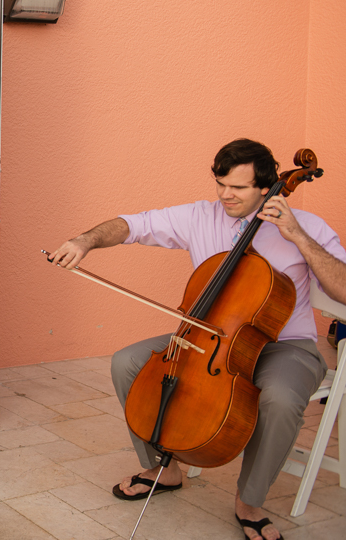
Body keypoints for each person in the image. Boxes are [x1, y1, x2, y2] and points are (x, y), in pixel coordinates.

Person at [47, 139, 346, 540]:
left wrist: (298, 238)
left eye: (237, 188)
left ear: (265, 186)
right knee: (128, 363)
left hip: (285, 343)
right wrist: (85, 240)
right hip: (211, 337)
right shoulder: (200, 216)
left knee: (281, 398)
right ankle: (164, 468)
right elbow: (132, 225)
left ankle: (249, 501)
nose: (225, 195)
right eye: (220, 183)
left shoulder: (306, 225)